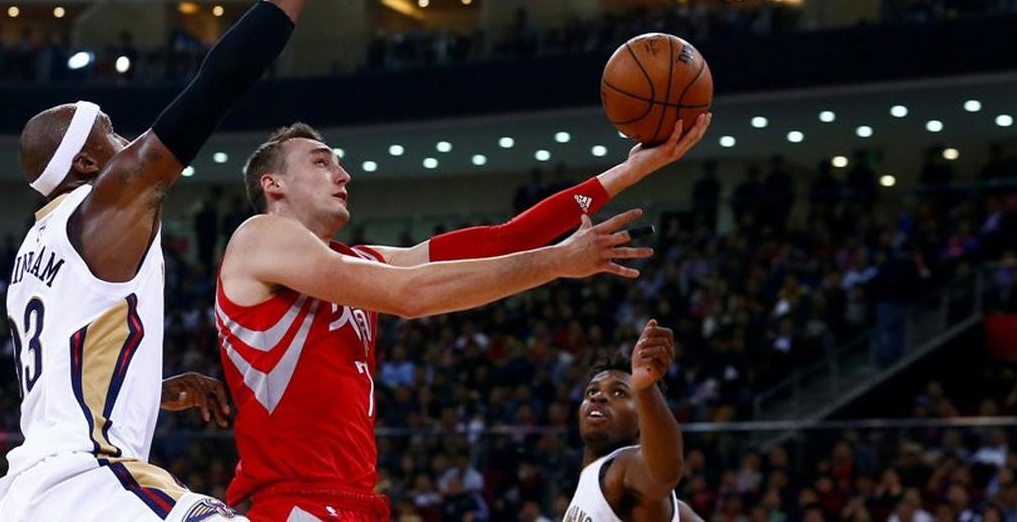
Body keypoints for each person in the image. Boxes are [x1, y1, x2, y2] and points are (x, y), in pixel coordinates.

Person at [0, 0, 367, 522]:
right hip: (92, 485)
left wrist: (148, 391)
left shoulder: (38, 245)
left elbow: (61, 376)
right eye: (110, 134)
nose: (127, 140)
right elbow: (218, 82)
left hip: (26, 491)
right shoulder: (106, 201)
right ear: (87, 164)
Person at [216, 115, 710, 520]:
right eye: (322, 163)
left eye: (340, 164)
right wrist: (559, 262)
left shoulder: (360, 261)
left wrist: (631, 172)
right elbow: (411, 296)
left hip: (353, 498)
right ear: (272, 183)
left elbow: (506, 240)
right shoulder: (261, 235)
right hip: (293, 500)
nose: (343, 175)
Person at [564, 321, 702, 522]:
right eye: (592, 391)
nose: (598, 397)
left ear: (643, 418)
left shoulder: (624, 469)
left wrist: (644, 388)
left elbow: (663, 474)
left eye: (619, 392)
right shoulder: (681, 512)